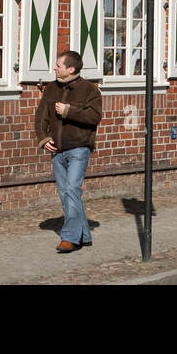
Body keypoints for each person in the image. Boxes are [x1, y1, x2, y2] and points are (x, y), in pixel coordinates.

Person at [35, 50, 103, 253]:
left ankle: (69, 238)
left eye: (58, 65)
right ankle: (84, 235)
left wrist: (68, 111)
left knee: (72, 189)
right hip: (56, 149)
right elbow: (40, 119)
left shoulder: (89, 90)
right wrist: (43, 139)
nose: (55, 68)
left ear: (70, 69)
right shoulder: (50, 89)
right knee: (65, 193)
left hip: (79, 149)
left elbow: (94, 117)